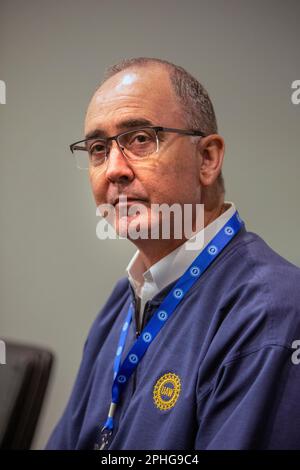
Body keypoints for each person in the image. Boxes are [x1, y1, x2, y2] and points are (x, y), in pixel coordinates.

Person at [46, 57, 300, 450]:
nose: (114, 169)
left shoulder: (271, 311)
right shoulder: (122, 303)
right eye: (98, 148)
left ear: (207, 159)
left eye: (141, 139)